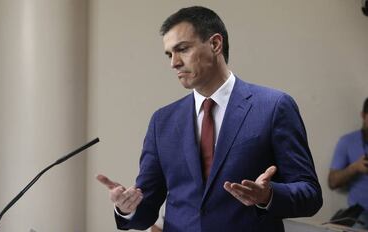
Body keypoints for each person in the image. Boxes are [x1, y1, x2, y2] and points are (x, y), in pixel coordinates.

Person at [97, 6, 322, 231]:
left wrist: (268, 195)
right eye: (169, 54)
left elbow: (310, 194)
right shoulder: (162, 121)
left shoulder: (274, 106)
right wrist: (127, 208)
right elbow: (146, 209)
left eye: (182, 49)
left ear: (215, 44)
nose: (173, 62)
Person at [328, 98, 368, 229]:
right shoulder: (348, 141)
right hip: (361, 212)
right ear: (363, 115)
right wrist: (355, 168)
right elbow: (332, 182)